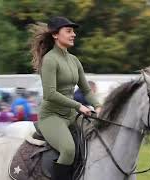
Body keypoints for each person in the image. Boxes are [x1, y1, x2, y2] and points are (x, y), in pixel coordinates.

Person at [30, 16, 102, 180]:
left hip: (71, 115)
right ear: (55, 35)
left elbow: (86, 90)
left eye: (74, 31)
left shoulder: (74, 60)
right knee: (68, 150)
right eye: (68, 31)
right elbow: (50, 94)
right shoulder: (50, 60)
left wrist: (98, 106)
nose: (73, 34)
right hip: (51, 117)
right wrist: (78, 106)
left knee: (98, 136)